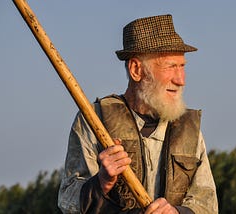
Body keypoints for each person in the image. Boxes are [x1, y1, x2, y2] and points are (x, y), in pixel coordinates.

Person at [58, 14, 218, 214]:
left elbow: (208, 204)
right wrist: (102, 182)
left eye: (182, 66)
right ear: (136, 70)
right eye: (171, 66)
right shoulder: (94, 120)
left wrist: (178, 212)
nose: (181, 80)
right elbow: (67, 200)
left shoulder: (188, 129)